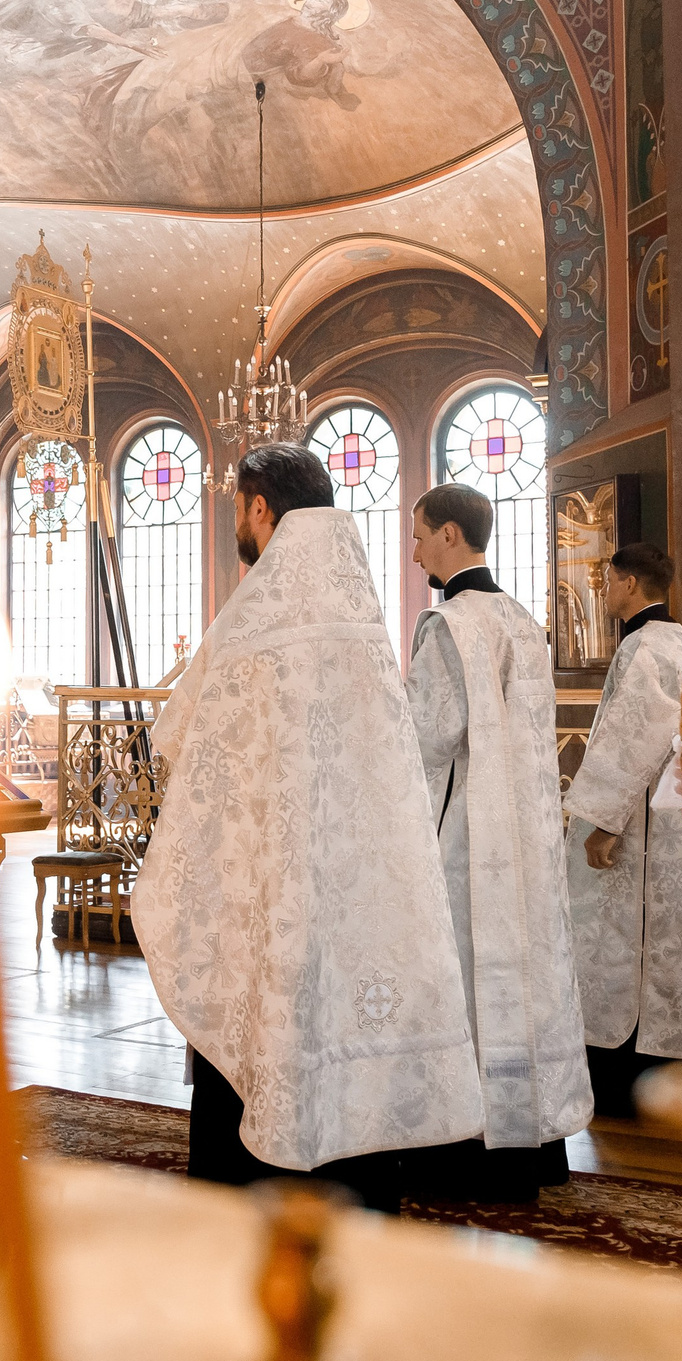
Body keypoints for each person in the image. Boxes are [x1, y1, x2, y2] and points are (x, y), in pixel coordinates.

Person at [139, 443, 483, 1209]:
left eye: (238, 509)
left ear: (261, 509)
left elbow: (177, 735)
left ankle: (256, 1185)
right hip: (362, 879)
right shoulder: (363, 613)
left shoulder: (255, 614)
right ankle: (360, 1191)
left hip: (272, 879)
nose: (239, 523)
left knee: (272, 1005)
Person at [401, 483, 592, 1201]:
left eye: (420, 535)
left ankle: (463, 1148)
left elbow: (425, 735)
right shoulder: (521, 619)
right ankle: (532, 1144)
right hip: (528, 836)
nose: (415, 549)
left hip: (466, 841)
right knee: (526, 984)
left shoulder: (446, 625)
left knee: (463, 979)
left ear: (451, 536)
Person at [563, 543, 682, 1117]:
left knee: (637, 944)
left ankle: (633, 1072)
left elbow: (632, 742)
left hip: (651, 831)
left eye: (606, 580)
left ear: (628, 583)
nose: (601, 591)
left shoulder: (643, 647)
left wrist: (603, 823)